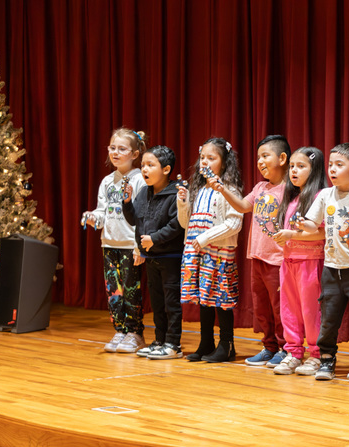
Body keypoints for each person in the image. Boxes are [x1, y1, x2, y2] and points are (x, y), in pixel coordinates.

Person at [299, 142, 349, 382]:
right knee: (329, 317)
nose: (332, 170)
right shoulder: (325, 195)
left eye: (339, 165)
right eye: (330, 165)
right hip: (331, 269)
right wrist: (300, 224)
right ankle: (326, 359)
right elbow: (312, 224)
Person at [212, 135, 291, 368]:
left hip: (278, 259)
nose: (260, 161)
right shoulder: (260, 187)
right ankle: (269, 347)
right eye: (258, 157)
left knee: (279, 307)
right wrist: (223, 190)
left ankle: (287, 348)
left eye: (265, 156)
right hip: (257, 256)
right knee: (262, 308)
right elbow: (243, 206)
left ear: (283, 158)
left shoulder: (291, 188)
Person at [177, 138, 243, 363]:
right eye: (202, 157)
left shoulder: (228, 190)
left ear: (223, 163)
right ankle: (206, 342)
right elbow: (186, 223)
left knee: (220, 299)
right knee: (204, 299)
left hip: (219, 254)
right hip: (198, 253)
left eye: (211, 158)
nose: (204, 162)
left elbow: (234, 223)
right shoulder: (198, 189)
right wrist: (183, 204)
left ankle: (227, 344)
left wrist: (205, 238)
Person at [82, 128, 148, 353]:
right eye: (112, 148)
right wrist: (93, 217)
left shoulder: (140, 179)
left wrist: (139, 245)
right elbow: (103, 212)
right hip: (109, 244)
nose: (115, 153)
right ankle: (120, 330)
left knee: (131, 289)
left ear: (135, 154)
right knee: (114, 290)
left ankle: (135, 332)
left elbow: (142, 216)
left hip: (130, 245)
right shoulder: (107, 181)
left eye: (122, 149)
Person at [268, 146, 327, 376]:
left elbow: (322, 232)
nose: (294, 171)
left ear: (314, 170)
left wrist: (291, 235)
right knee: (289, 310)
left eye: (301, 166)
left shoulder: (320, 196)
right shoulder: (291, 197)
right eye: (292, 166)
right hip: (289, 261)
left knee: (311, 311)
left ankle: (316, 354)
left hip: (310, 261)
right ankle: (293, 351)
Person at [122, 145, 185, 359]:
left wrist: (154, 239)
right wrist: (127, 202)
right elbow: (134, 220)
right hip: (152, 256)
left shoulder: (176, 192)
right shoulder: (144, 192)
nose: (144, 170)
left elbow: (177, 225)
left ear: (166, 169)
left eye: (150, 165)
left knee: (171, 302)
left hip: (170, 257)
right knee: (157, 302)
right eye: (143, 166)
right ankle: (159, 340)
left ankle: (173, 343)